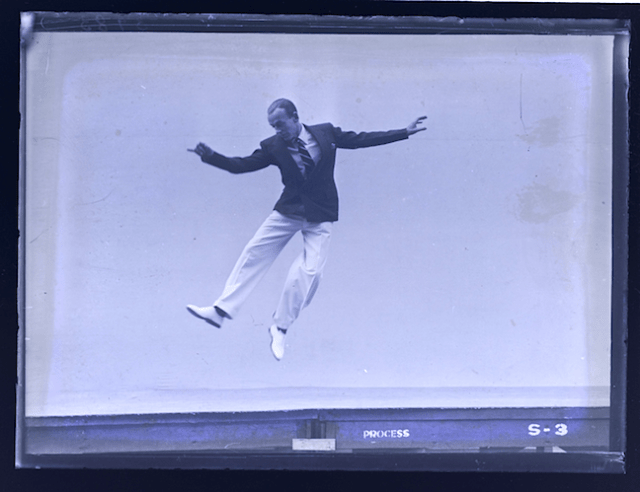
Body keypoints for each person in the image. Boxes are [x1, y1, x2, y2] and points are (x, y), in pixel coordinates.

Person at [187, 98, 426, 360]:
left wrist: (403, 132)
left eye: (280, 124)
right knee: (254, 252)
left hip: (320, 215)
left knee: (309, 272)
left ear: (295, 117)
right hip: (288, 211)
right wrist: (211, 157)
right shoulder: (273, 146)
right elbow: (241, 165)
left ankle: (280, 327)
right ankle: (220, 311)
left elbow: (362, 140)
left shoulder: (326, 133)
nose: (277, 130)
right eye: (272, 126)